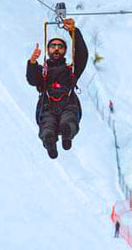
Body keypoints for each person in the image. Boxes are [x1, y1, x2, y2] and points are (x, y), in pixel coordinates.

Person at [26, 18, 88, 159]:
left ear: (65, 51)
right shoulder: (43, 71)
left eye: (60, 46)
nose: (56, 49)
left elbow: (82, 55)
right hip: (48, 104)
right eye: (53, 46)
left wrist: (74, 32)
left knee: (69, 119)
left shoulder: (70, 70)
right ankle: (49, 142)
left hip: (68, 103)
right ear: (48, 50)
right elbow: (32, 80)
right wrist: (33, 63)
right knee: (47, 124)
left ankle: (67, 135)